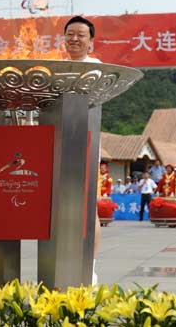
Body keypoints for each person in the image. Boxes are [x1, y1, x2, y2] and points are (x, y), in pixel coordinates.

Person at [64, 15, 101, 285]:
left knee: (89, 208)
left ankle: (91, 265)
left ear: (90, 40)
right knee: (63, 206)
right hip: (58, 141)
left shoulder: (97, 67)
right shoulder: (55, 68)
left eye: (81, 34)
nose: (74, 38)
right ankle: (65, 260)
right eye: (70, 34)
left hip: (86, 140)